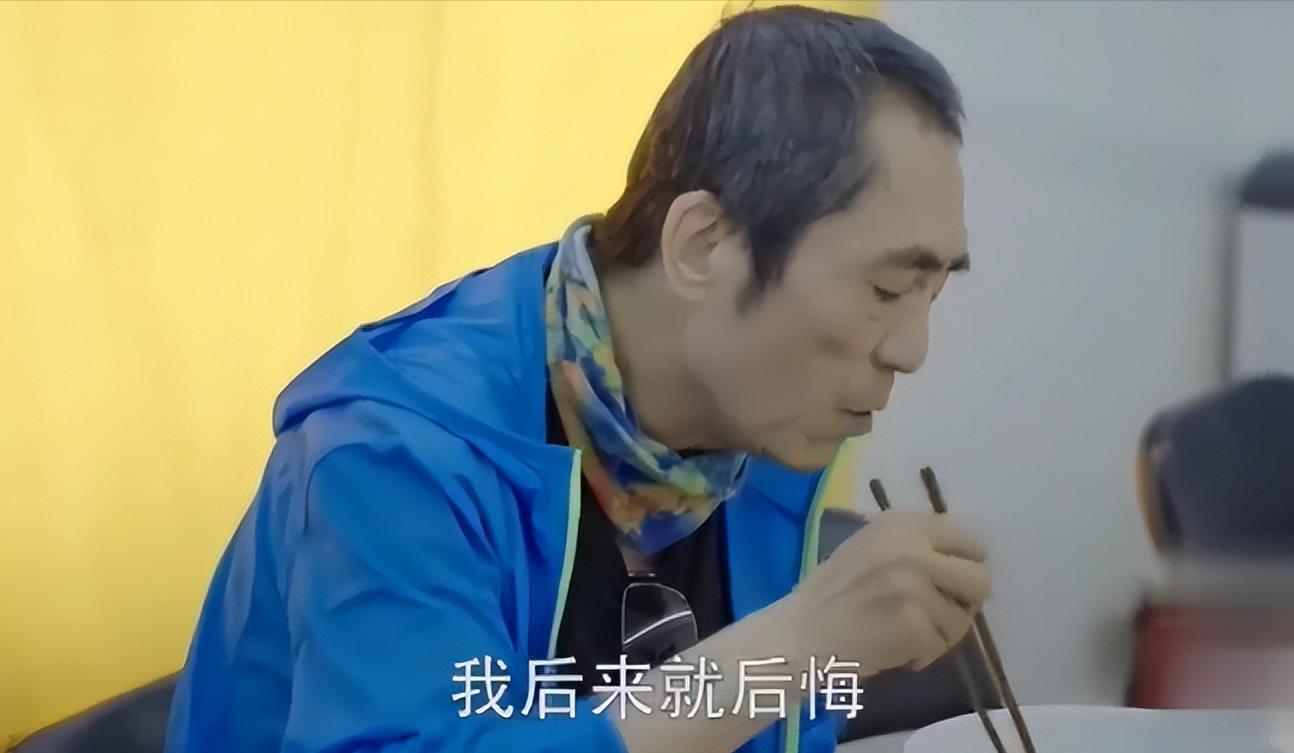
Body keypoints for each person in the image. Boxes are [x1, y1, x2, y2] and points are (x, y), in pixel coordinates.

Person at [164, 7, 991, 753]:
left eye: (933, 292)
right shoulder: (394, 448)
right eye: (888, 287)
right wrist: (796, 642)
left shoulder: (763, 424)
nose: (911, 349)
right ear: (703, 245)